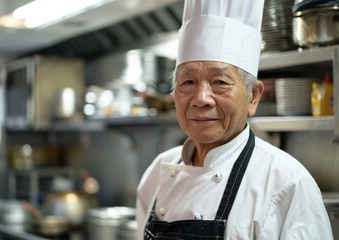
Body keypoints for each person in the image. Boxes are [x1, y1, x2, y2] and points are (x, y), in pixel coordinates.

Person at [136, 0, 333, 239]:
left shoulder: (287, 183)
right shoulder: (157, 172)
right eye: (188, 82)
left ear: (253, 97)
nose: (201, 99)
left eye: (220, 82)